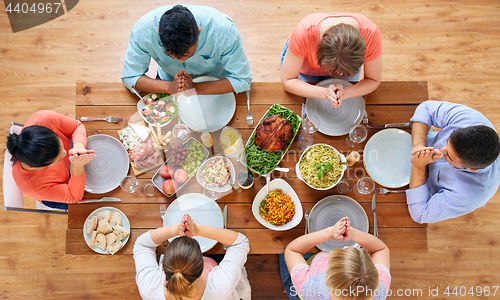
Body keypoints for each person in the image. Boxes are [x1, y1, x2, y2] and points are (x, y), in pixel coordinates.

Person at [121, 5, 252, 95]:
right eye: (172, 55)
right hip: (168, 81)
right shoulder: (143, 31)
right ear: (159, 33)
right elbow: (130, 77)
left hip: (214, 82)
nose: (181, 61)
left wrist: (196, 88)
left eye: (188, 54)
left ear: (199, 32)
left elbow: (242, 80)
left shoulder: (224, 32)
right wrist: (169, 87)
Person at [407, 100, 500, 223]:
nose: (441, 149)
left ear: (471, 169)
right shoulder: (471, 119)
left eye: (449, 156)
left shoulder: (470, 196)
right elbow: (426, 108)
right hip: (413, 142)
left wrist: (418, 168)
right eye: (447, 142)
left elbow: (420, 214)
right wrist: (418, 145)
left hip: (416, 186)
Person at [133, 214, 251, 300]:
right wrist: (198, 230)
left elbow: (143, 245)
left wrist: (175, 229)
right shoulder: (221, 285)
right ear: (203, 265)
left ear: (163, 267)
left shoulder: (149, 288)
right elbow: (240, 242)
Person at [281, 13, 382, 108]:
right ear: (319, 51)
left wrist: (346, 92)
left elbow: (373, 80)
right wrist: (323, 93)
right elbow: (288, 80)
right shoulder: (303, 33)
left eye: (342, 71)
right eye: (335, 70)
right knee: (305, 100)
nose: (338, 74)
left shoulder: (371, 35)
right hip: (304, 66)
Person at [6, 110, 95, 209]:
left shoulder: (44, 118)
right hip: (55, 191)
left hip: (70, 173)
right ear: (36, 167)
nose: (66, 153)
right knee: (87, 204)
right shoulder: (34, 187)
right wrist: (77, 167)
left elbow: (77, 126)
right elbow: (74, 196)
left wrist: (79, 147)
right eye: (58, 160)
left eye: (61, 143)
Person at [284, 217, 390, 300]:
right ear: (375, 275)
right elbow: (380, 249)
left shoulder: (310, 287)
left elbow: (293, 250)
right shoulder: (379, 290)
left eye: (344, 250)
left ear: (328, 272)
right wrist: (353, 233)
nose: (346, 246)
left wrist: (328, 233)